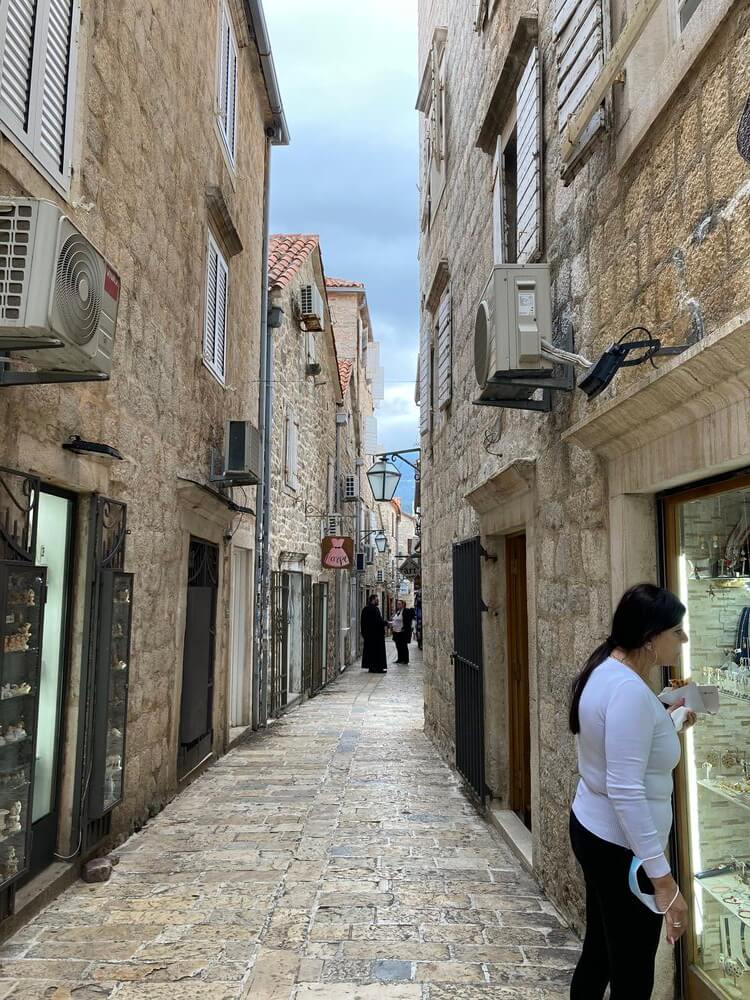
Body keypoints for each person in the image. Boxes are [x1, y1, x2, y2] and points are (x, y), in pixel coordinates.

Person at [568, 583, 693, 999]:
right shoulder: (628, 693)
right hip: (623, 848)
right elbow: (626, 789)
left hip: (596, 829)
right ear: (651, 638)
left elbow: (623, 747)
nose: (683, 639)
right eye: (677, 631)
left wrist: (668, 722)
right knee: (633, 972)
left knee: (601, 952)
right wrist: (663, 881)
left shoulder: (606, 669)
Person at [360, 594, 387, 673]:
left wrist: (364, 633)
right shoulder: (375, 609)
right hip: (376, 636)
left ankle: (371, 667)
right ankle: (377, 668)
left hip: (368, 635)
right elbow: (378, 621)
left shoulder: (365, 609)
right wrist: (386, 623)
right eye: (377, 599)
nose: (378, 601)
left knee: (370, 652)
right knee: (377, 652)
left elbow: (363, 622)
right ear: (373, 600)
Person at [390, 599, 409, 664]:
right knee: (398, 646)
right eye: (397, 604)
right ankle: (400, 659)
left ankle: (405, 659)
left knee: (403, 646)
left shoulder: (405, 611)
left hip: (402, 632)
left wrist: (404, 628)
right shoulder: (398, 612)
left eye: (399, 604)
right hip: (396, 632)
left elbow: (407, 621)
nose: (398, 605)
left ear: (403, 605)